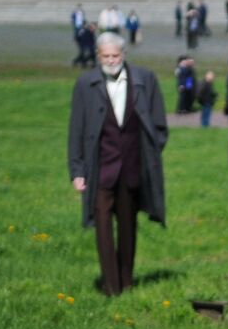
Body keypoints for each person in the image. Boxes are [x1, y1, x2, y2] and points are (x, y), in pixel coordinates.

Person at [68, 32, 167, 296]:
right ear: (98, 56)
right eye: (106, 56)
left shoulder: (146, 80)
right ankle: (111, 287)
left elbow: (159, 125)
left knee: (128, 227)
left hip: (133, 168)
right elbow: (76, 130)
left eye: (115, 55)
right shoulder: (85, 84)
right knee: (101, 226)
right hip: (100, 169)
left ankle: (127, 281)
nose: (111, 60)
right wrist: (77, 171)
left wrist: (152, 155)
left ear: (124, 55)